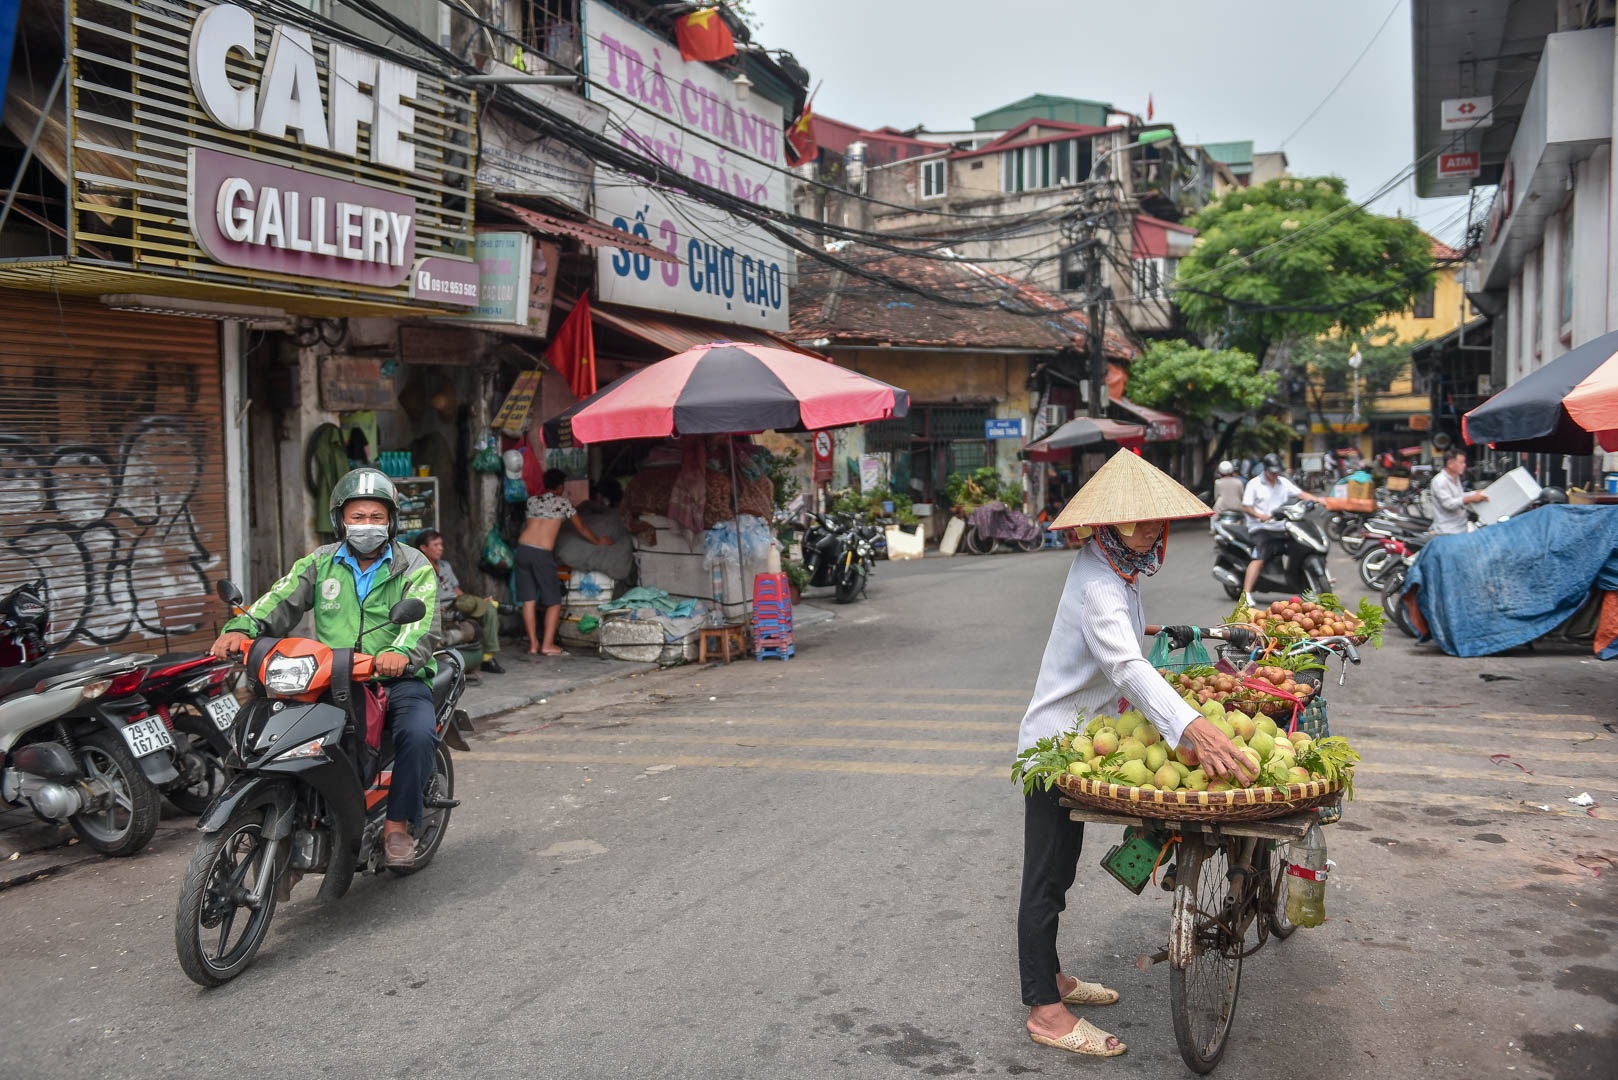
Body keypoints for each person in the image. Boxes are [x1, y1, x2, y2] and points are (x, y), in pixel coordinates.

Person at [1017, 450, 1256, 1059]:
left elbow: (1126, 640)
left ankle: (1055, 977)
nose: (1148, 532)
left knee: (1062, 872)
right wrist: (1191, 725)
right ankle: (1045, 1009)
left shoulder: (1115, 569)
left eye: (1154, 522)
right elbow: (1122, 664)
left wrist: (1171, 634)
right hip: (1055, 746)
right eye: (1134, 524)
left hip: (1085, 742)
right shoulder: (1101, 579)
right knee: (1046, 879)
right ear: (1109, 526)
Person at [210, 468, 440, 869]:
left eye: (375, 517)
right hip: (330, 675)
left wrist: (399, 655)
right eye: (357, 517)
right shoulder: (320, 562)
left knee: (417, 734)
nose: (366, 525)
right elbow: (277, 600)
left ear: (391, 520)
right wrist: (239, 628)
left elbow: (421, 626)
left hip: (394, 677)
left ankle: (398, 825)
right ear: (340, 520)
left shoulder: (414, 565)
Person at [517, 468, 612, 658]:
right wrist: (598, 541)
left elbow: (535, 524)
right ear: (561, 486)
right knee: (553, 601)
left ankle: (533, 645)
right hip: (541, 554)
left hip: (522, 550)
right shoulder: (563, 504)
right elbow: (582, 528)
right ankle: (548, 645)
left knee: (528, 600)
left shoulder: (532, 501)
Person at [415, 530, 505, 674]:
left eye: (441, 544)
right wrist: (434, 607)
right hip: (440, 607)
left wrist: (477, 602)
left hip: (456, 602)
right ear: (423, 548)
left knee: (489, 608)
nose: (441, 548)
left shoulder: (445, 566)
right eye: (436, 545)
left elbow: (457, 591)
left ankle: (488, 656)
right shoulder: (419, 569)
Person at [1241, 452, 1323, 595]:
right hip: (1261, 528)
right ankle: (1246, 593)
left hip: (1281, 526)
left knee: (1303, 547)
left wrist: (1316, 499)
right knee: (1259, 557)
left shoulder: (1283, 482)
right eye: (1272, 472)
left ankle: (1314, 578)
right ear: (1265, 469)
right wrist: (1260, 515)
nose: (1275, 474)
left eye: (1277, 471)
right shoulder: (1254, 484)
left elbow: (1300, 494)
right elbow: (1246, 506)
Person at [1428, 448, 1488, 534]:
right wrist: (1471, 498)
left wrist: (1476, 493)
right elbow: (1449, 504)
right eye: (1461, 462)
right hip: (1447, 530)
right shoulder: (1440, 481)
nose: (1464, 465)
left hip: (1460, 527)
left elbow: (1459, 496)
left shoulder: (1455, 477)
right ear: (1450, 464)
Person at [1211, 460, 1244, 534]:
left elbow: (1216, 496)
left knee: (1213, 514)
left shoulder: (1218, 482)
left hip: (1222, 507)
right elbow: (1241, 495)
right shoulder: (1238, 482)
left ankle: (1212, 528)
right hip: (1237, 507)